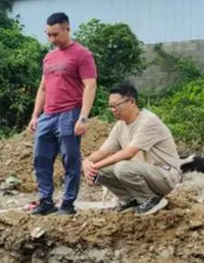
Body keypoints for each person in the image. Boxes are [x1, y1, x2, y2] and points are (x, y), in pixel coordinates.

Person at [28, 12, 98, 216]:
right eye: (48, 35)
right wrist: (35, 115)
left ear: (67, 29)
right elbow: (43, 88)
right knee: (41, 158)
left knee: (70, 159)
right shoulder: (49, 57)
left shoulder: (82, 54)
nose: (51, 39)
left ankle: (67, 204)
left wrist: (83, 117)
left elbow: (90, 85)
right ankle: (45, 200)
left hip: (70, 114)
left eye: (55, 34)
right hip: (48, 116)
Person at [82, 82, 181, 216]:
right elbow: (103, 151)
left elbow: (129, 153)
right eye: (111, 106)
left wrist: (93, 167)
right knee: (101, 171)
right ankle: (132, 199)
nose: (113, 109)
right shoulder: (120, 126)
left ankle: (151, 199)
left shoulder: (148, 121)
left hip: (165, 175)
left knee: (122, 167)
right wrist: (88, 162)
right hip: (144, 173)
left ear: (132, 102)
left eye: (117, 105)